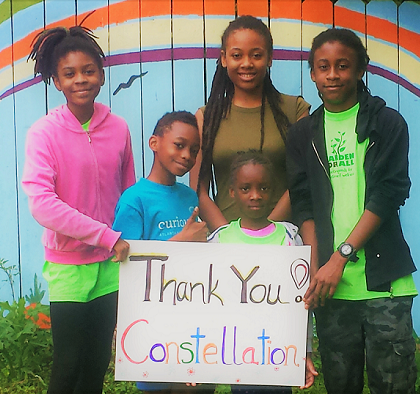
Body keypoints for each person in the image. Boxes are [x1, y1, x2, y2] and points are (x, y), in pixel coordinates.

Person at [286, 28, 419, 394]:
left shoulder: (387, 123)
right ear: (312, 73)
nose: (332, 75)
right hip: (332, 290)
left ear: (361, 68)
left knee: (393, 387)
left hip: (384, 283)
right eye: (323, 67)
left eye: (343, 66)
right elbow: (304, 205)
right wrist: (317, 266)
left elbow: (389, 193)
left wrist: (341, 257)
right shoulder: (302, 135)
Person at [20, 24, 133, 394]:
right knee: (68, 364)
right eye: (69, 73)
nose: (80, 80)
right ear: (56, 80)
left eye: (88, 71)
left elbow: (129, 196)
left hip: (112, 266)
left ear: (101, 73)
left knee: (97, 363)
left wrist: (128, 240)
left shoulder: (118, 128)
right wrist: (105, 235)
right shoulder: (44, 133)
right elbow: (43, 205)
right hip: (69, 266)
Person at [112, 110, 212, 393]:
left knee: (199, 386)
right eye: (179, 145)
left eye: (194, 150)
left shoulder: (190, 197)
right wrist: (180, 242)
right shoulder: (134, 199)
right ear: (154, 143)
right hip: (152, 322)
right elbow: (125, 267)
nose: (187, 155)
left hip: (192, 316)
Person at [207, 151, 318, 393]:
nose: (255, 195)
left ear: (273, 191)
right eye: (246, 188)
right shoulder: (219, 241)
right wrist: (196, 357)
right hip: (236, 356)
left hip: (279, 355)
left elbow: (301, 307)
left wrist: (304, 351)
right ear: (232, 192)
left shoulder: (289, 239)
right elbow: (205, 306)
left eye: (264, 188)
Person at [191, 15, 310, 231]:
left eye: (256, 55)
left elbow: (301, 182)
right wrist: (230, 236)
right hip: (225, 244)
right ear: (224, 58)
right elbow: (199, 190)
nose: (247, 63)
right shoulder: (207, 117)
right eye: (237, 55)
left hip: (284, 241)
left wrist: (268, 231)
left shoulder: (295, 111)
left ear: (269, 58)